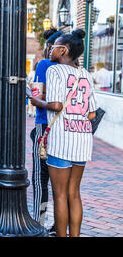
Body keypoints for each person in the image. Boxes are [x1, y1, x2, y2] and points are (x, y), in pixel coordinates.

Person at [29, 29, 98, 237]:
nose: (50, 49)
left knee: (59, 194)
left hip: (61, 138)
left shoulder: (54, 71)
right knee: (74, 194)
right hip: (83, 139)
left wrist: (36, 101)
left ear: (63, 50)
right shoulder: (85, 74)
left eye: (54, 46)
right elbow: (92, 114)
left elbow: (57, 105)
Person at [29, 28, 63, 234]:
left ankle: (39, 222)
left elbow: (37, 96)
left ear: (51, 47)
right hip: (67, 130)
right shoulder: (78, 69)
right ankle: (59, 226)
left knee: (40, 178)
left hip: (45, 125)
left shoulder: (44, 64)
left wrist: (32, 98)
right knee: (62, 182)